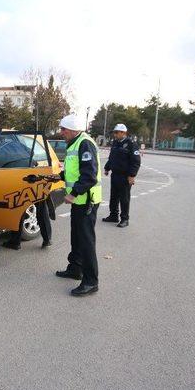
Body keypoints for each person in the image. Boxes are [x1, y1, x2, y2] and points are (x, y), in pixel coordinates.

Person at [54, 114, 102, 297]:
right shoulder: (74, 143)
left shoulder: (85, 143)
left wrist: (73, 194)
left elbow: (89, 175)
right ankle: (75, 268)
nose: (61, 133)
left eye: (63, 129)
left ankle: (91, 282)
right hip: (79, 201)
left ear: (73, 129)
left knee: (86, 241)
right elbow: (74, 172)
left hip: (85, 200)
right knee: (77, 236)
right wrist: (58, 177)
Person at [102, 124, 141, 228]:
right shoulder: (115, 143)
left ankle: (125, 219)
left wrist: (132, 175)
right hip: (115, 175)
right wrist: (107, 168)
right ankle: (113, 215)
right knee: (113, 197)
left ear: (123, 133)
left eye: (117, 132)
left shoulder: (131, 144)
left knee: (124, 198)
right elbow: (112, 157)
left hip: (125, 176)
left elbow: (136, 161)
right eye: (114, 132)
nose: (115, 134)